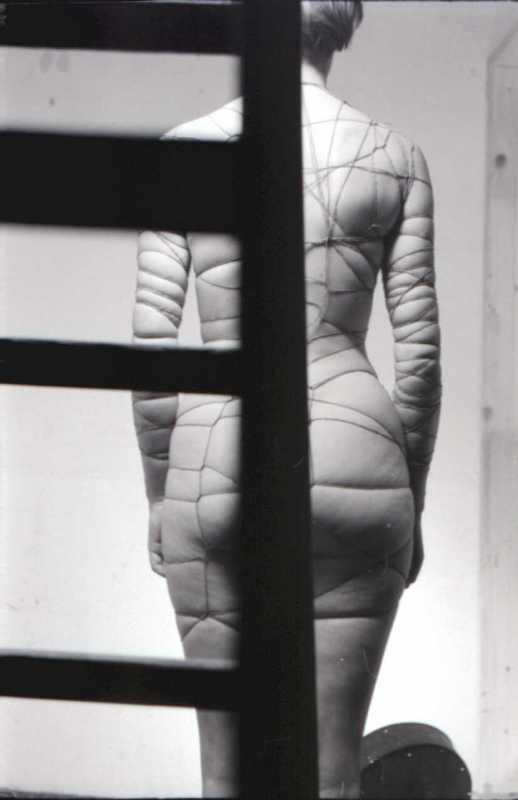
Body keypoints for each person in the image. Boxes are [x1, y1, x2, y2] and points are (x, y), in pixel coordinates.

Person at [132, 2, 441, 797]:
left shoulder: (186, 151)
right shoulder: (397, 158)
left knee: (224, 771)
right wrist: (413, 496)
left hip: (216, 456)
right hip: (357, 451)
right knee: (332, 770)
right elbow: (419, 363)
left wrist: (160, 496)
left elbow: (151, 352)